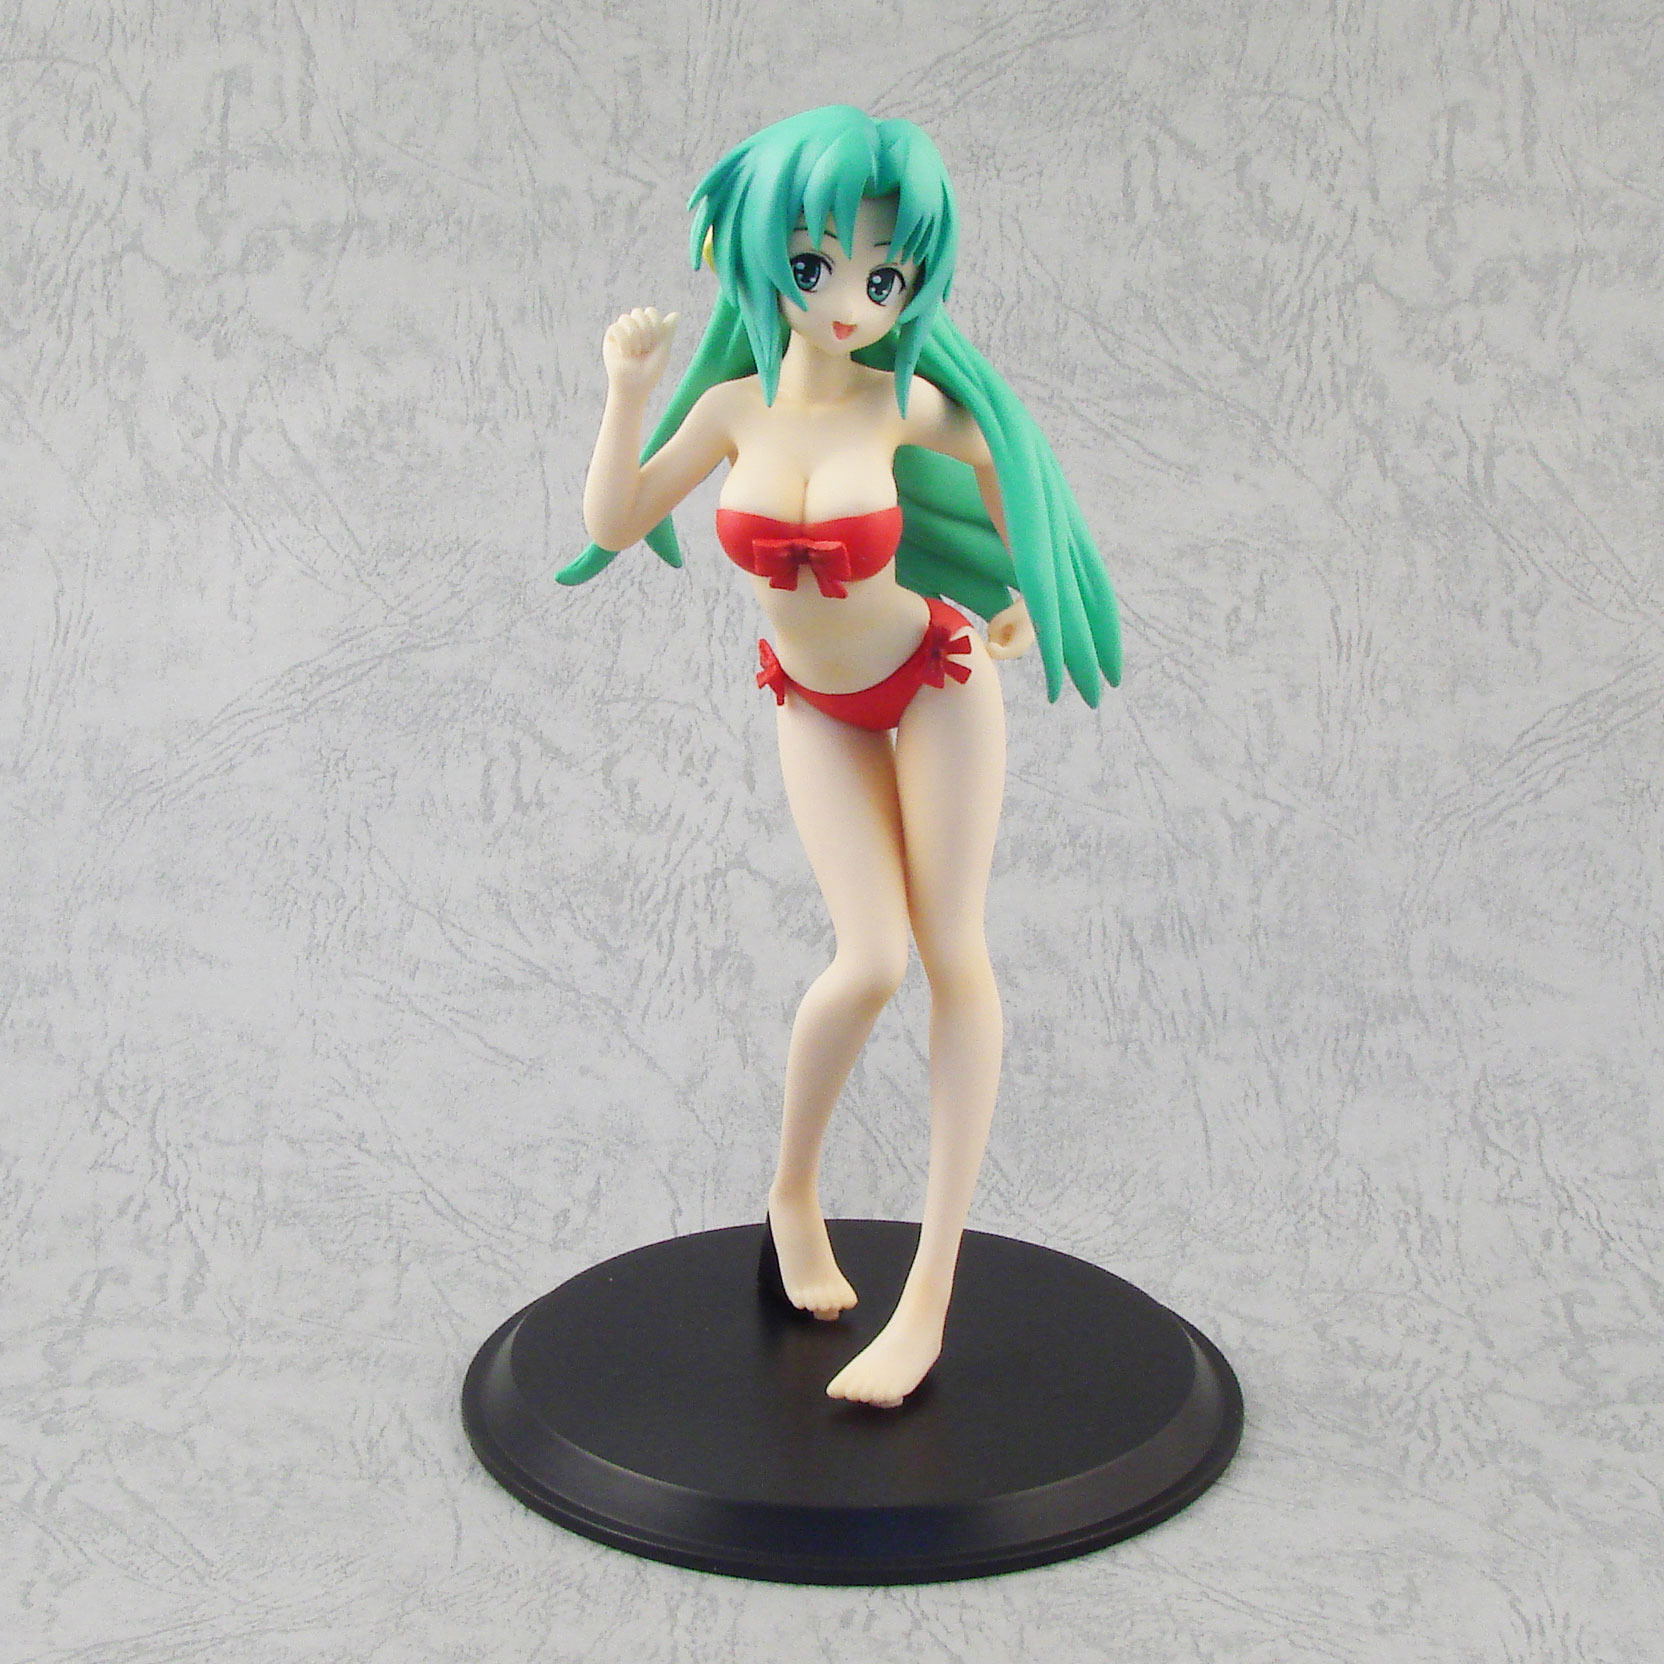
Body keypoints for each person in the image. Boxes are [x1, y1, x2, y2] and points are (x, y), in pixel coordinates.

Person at [561, 106, 1119, 1407]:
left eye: (887, 276)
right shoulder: (734, 410)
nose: (852, 303)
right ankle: (792, 1193)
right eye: (815, 267)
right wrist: (628, 390)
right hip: (812, 705)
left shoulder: (903, 402)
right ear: (758, 257)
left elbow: (1008, 464)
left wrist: (1022, 593)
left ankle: (928, 1295)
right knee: (867, 963)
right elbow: (616, 517)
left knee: (953, 955)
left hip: (935, 681)